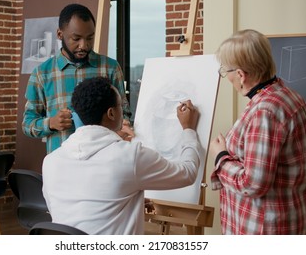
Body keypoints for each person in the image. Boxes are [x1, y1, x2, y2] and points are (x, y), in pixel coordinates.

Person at [42, 76, 202, 235]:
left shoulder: (51, 161)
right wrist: (188, 129)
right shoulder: (130, 156)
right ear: (111, 113)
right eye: (120, 106)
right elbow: (187, 172)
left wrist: (125, 198)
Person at [209, 29, 306, 234]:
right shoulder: (287, 95)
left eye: (226, 72)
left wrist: (221, 157)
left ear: (241, 75)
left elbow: (252, 184)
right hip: (289, 219)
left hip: (264, 229)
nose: (226, 77)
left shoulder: (265, 111)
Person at [23, 3, 133, 154]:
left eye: (90, 38)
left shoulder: (110, 68)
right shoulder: (42, 74)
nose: (84, 45)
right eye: (76, 38)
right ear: (60, 34)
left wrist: (123, 125)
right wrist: (51, 123)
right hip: (61, 165)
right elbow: (27, 124)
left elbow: (125, 112)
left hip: (105, 163)